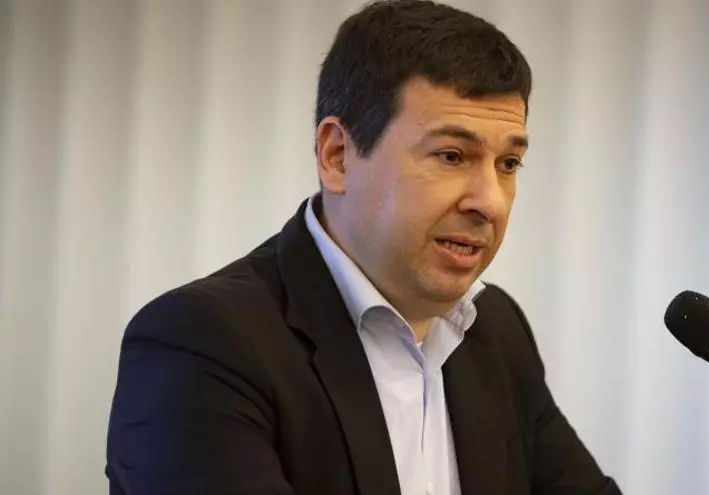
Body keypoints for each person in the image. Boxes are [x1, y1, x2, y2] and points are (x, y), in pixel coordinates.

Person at [105, 1, 620, 494]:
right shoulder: (204, 342)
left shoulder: (496, 331)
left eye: (508, 164)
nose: (491, 202)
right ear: (337, 156)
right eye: (451, 155)